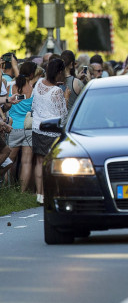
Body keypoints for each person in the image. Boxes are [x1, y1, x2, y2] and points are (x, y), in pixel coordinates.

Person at [31, 58, 69, 204]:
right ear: (59, 72)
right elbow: (63, 115)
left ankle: (39, 195)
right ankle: (51, 193)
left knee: (39, 162)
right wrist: (66, 98)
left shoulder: (39, 82)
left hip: (36, 127)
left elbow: (34, 104)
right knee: (52, 163)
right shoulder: (57, 92)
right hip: (51, 131)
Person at [7, 62, 41, 191]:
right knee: (26, 162)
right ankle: (22, 192)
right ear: (32, 74)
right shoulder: (33, 89)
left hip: (12, 127)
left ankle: (7, 189)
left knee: (9, 160)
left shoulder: (10, 86)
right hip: (28, 128)